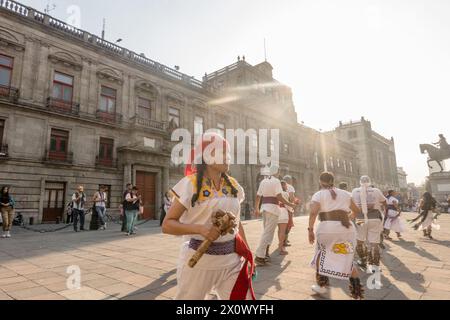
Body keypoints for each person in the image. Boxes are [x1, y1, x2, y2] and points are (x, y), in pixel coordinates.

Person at [162, 132, 255, 300]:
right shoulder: (189, 185)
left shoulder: (234, 186)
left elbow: (237, 223)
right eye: (222, 153)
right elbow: (167, 224)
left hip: (231, 261)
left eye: (229, 153)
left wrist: (247, 254)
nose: (228, 157)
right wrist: (200, 229)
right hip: (198, 262)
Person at [308, 172, 364, 299]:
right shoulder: (345, 193)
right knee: (347, 258)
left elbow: (313, 213)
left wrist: (310, 229)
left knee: (320, 254)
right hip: (346, 228)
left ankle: (321, 286)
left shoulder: (319, 194)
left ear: (320, 181)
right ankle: (357, 293)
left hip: (327, 228)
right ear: (333, 180)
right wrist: (345, 217)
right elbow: (356, 211)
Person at [254, 165, 296, 266]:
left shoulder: (263, 181)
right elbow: (279, 196)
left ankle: (264, 255)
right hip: (272, 208)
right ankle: (259, 256)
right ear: (277, 171)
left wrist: (256, 209)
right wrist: (290, 204)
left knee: (266, 232)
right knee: (268, 233)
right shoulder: (276, 181)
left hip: (264, 207)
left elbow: (258, 196)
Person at [351, 176, 386, 272]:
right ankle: (375, 265)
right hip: (375, 218)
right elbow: (384, 202)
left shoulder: (354, 191)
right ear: (370, 182)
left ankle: (362, 260)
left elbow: (351, 204)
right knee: (374, 243)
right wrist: (383, 212)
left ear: (360, 182)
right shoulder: (376, 190)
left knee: (360, 240)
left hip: (360, 218)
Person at [283, 175, 297, 247]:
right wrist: (295, 202)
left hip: (280, 208)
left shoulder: (280, 186)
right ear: (290, 181)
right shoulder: (290, 187)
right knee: (289, 225)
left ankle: (284, 239)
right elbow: (291, 198)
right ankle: (284, 241)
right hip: (288, 208)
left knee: (282, 226)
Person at [277, 181, 290, 255]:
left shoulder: (276, 193)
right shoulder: (285, 193)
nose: (286, 187)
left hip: (277, 211)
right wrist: (292, 208)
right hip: (283, 212)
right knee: (282, 231)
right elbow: (287, 205)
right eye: (285, 185)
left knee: (279, 230)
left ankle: (280, 245)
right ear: (283, 186)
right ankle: (281, 248)